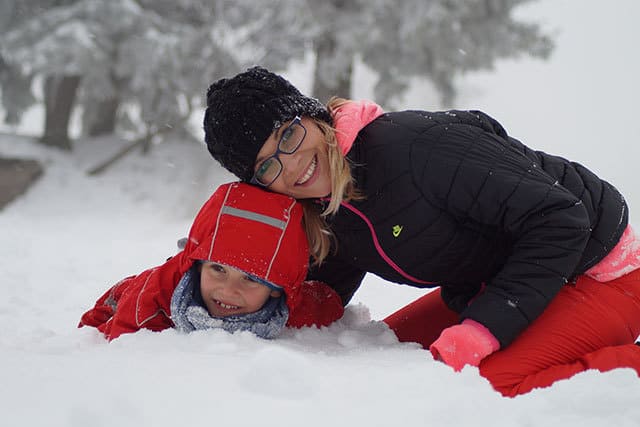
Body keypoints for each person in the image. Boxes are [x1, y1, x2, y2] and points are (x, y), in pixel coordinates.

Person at [202, 66, 640, 396]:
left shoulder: (415, 149)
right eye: (267, 165)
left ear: (312, 117)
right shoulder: (324, 206)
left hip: (600, 271)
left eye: (289, 135)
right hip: (504, 281)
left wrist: (483, 330)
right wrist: (247, 309)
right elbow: (325, 288)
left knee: (486, 389)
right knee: (383, 353)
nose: (292, 164)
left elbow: (560, 219)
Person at [79, 182, 344, 341]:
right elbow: (117, 347)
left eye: (250, 278)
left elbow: (326, 303)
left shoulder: (286, 307)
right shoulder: (151, 300)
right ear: (198, 266)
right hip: (121, 300)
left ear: (277, 289)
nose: (228, 290)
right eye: (218, 269)